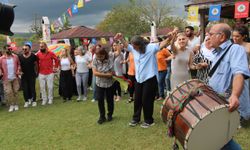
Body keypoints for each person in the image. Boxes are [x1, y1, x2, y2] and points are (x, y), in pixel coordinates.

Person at [208, 23, 250, 149]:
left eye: (210, 34)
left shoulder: (235, 49)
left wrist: (235, 95)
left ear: (221, 37)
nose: (208, 37)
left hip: (226, 104)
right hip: (215, 102)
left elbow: (239, 73)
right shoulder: (217, 52)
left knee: (221, 139)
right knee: (218, 138)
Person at [117, 32, 172, 128]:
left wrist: (169, 38)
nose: (133, 48)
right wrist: (121, 38)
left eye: (135, 46)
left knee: (146, 100)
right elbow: (127, 45)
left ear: (141, 45)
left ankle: (149, 120)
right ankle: (136, 119)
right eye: (133, 46)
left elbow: (162, 44)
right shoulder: (133, 49)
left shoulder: (151, 48)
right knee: (137, 99)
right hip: (139, 79)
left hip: (150, 78)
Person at [92, 47, 115, 124]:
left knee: (110, 100)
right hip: (99, 84)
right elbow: (95, 73)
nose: (99, 58)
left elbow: (111, 74)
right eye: (98, 56)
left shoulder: (109, 60)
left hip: (109, 84)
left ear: (105, 55)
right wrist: (105, 74)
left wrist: (100, 73)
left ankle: (110, 115)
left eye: (101, 56)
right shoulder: (95, 60)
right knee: (100, 100)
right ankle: (102, 116)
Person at [0, 45, 21, 112]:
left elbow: (19, 65)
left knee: (15, 91)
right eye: (8, 49)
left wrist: (18, 70)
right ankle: (11, 105)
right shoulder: (1, 59)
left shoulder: (15, 56)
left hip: (15, 77)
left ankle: (16, 104)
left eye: (10, 49)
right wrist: (0, 72)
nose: (9, 50)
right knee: (9, 92)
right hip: (6, 78)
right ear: (4, 50)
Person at [19, 42, 38, 107]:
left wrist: (36, 72)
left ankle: (34, 100)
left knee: (32, 88)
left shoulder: (33, 56)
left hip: (32, 75)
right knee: (25, 89)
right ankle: (27, 101)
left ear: (29, 49)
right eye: (23, 49)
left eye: (26, 49)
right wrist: (20, 71)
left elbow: (36, 65)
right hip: (24, 75)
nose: (24, 50)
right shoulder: (20, 56)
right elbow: (19, 65)